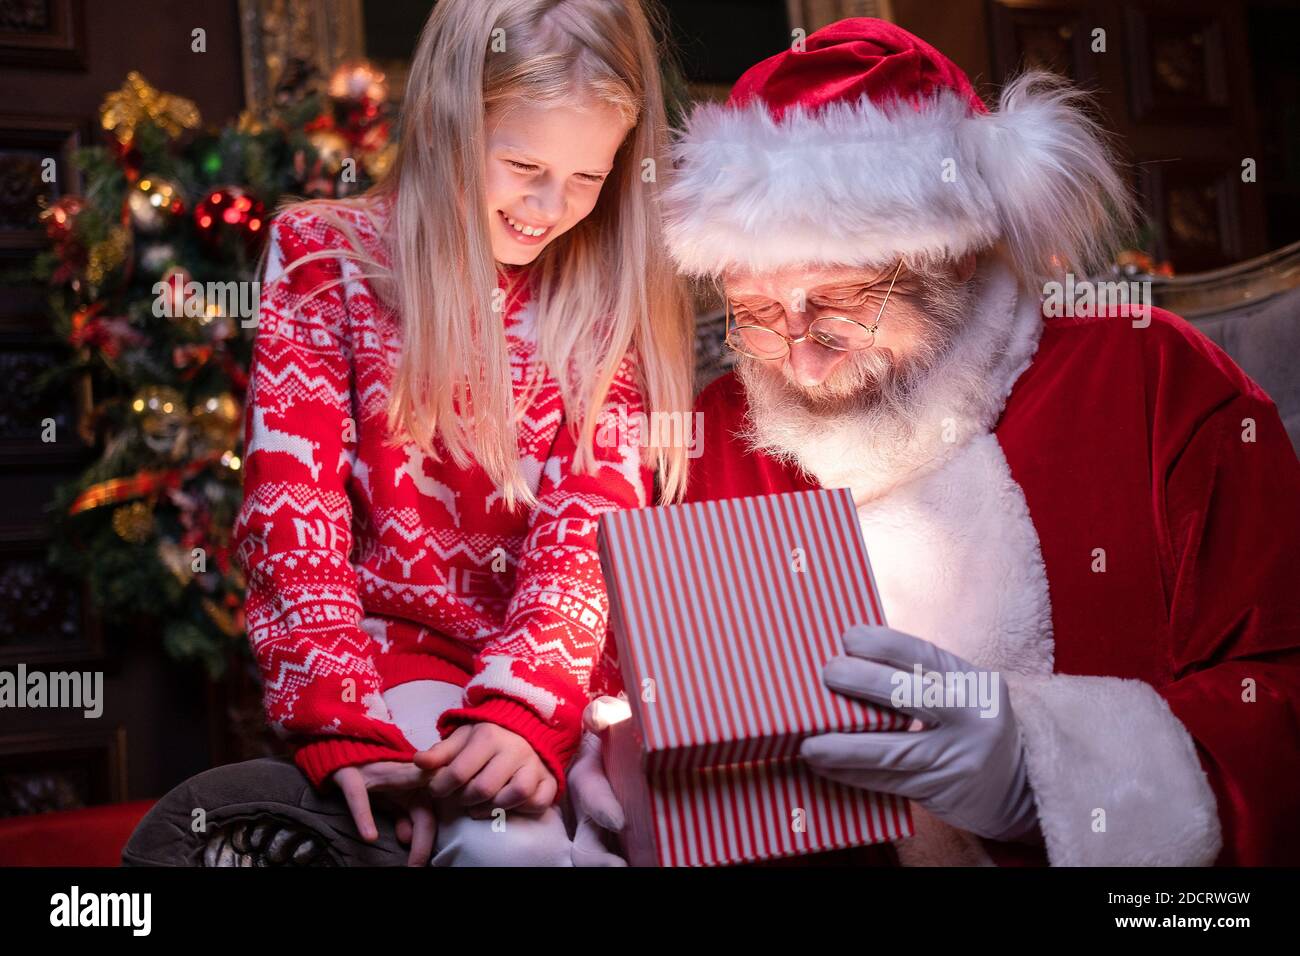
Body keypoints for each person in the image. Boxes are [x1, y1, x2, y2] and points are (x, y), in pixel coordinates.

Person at [576, 17, 1300, 866]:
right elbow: (623, 677)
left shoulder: (1155, 382)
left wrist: (1046, 770)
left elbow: (1279, 692)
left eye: (841, 302)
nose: (799, 356)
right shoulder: (711, 433)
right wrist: (604, 762)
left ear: (956, 255)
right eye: (759, 314)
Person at [232, 0, 693, 866]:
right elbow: (293, 511)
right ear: (450, 123)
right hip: (392, 662)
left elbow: (589, 526)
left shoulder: (600, 297)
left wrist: (525, 705)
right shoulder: (323, 259)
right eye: (523, 164)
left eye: (589, 179)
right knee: (502, 854)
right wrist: (341, 721)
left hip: (560, 679)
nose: (552, 208)